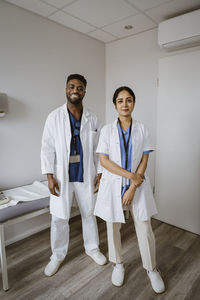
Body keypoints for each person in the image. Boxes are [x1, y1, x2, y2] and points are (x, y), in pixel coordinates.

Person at [94, 86, 165, 293]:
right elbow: (104, 161)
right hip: (114, 185)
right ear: (115, 104)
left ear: (134, 103)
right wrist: (130, 176)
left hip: (137, 186)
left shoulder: (142, 128)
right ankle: (118, 264)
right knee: (112, 226)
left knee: (144, 227)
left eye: (129, 100)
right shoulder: (107, 130)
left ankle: (151, 269)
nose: (125, 104)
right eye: (120, 101)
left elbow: (144, 158)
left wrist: (133, 185)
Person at [41, 74, 107, 276]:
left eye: (79, 87)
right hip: (62, 175)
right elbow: (47, 148)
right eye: (71, 86)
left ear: (84, 91)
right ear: (65, 89)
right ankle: (57, 256)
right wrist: (50, 176)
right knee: (59, 217)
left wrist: (100, 173)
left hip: (85, 173)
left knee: (89, 212)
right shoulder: (54, 117)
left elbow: (99, 149)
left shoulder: (93, 118)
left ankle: (92, 248)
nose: (75, 90)